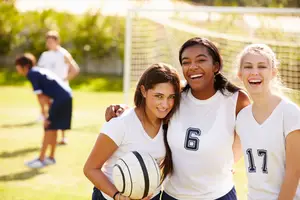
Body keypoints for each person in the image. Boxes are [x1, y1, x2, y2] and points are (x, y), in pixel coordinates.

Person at [105, 37, 250, 200]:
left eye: (201, 60)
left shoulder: (236, 99)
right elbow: (152, 108)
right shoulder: (177, 96)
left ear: (216, 65)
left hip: (218, 195)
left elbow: (248, 135)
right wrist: (122, 111)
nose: (193, 67)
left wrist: (230, 161)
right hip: (173, 195)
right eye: (186, 62)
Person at [83, 63, 181, 200]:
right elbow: (90, 169)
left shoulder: (170, 123)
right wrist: (118, 196)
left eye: (171, 97)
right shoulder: (120, 124)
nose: (166, 104)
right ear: (143, 91)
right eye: (159, 96)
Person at [235, 44, 300, 200]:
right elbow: (230, 158)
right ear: (240, 74)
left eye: (262, 66)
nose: (254, 72)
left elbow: (294, 172)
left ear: (273, 72)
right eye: (248, 66)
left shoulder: (290, 113)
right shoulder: (242, 117)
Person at [15, 53, 73, 168]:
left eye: (17, 66)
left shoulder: (32, 74)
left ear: (25, 66)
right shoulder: (37, 71)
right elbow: (46, 96)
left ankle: (41, 159)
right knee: (53, 127)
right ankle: (50, 158)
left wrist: (45, 115)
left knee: (48, 127)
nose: (16, 68)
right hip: (66, 96)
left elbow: (40, 97)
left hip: (60, 99)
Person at [37, 30, 80, 145]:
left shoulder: (63, 54)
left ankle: (63, 137)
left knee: (61, 113)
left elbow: (75, 69)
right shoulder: (44, 56)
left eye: (51, 41)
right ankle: (49, 137)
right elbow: (40, 72)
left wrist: (63, 80)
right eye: (48, 41)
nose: (49, 43)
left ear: (57, 41)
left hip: (61, 90)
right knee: (49, 113)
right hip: (48, 90)